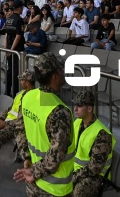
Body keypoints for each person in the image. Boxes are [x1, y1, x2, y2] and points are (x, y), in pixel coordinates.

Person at [14, 52, 76, 197]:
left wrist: (27, 158)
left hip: (32, 184)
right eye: (60, 69)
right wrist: (34, 172)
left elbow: (19, 130)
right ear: (55, 76)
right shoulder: (59, 112)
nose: (63, 72)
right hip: (54, 189)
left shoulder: (28, 96)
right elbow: (54, 158)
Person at [72, 90, 116, 197]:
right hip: (77, 170)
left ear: (89, 109)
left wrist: (74, 176)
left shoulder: (102, 134)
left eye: (79, 105)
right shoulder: (77, 123)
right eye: (75, 104)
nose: (75, 109)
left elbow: (94, 168)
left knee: (79, 191)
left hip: (96, 177)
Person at [4, 0, 25, 97]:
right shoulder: (19, 20)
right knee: (15, 71)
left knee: (9, 70)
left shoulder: (8, 19)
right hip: (16, 49)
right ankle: (15, 93)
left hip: (9, 48)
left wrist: (6, 48)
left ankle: (7, 91)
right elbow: (18, 36)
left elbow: (6, 35)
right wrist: (12, 50)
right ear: (19, 8)